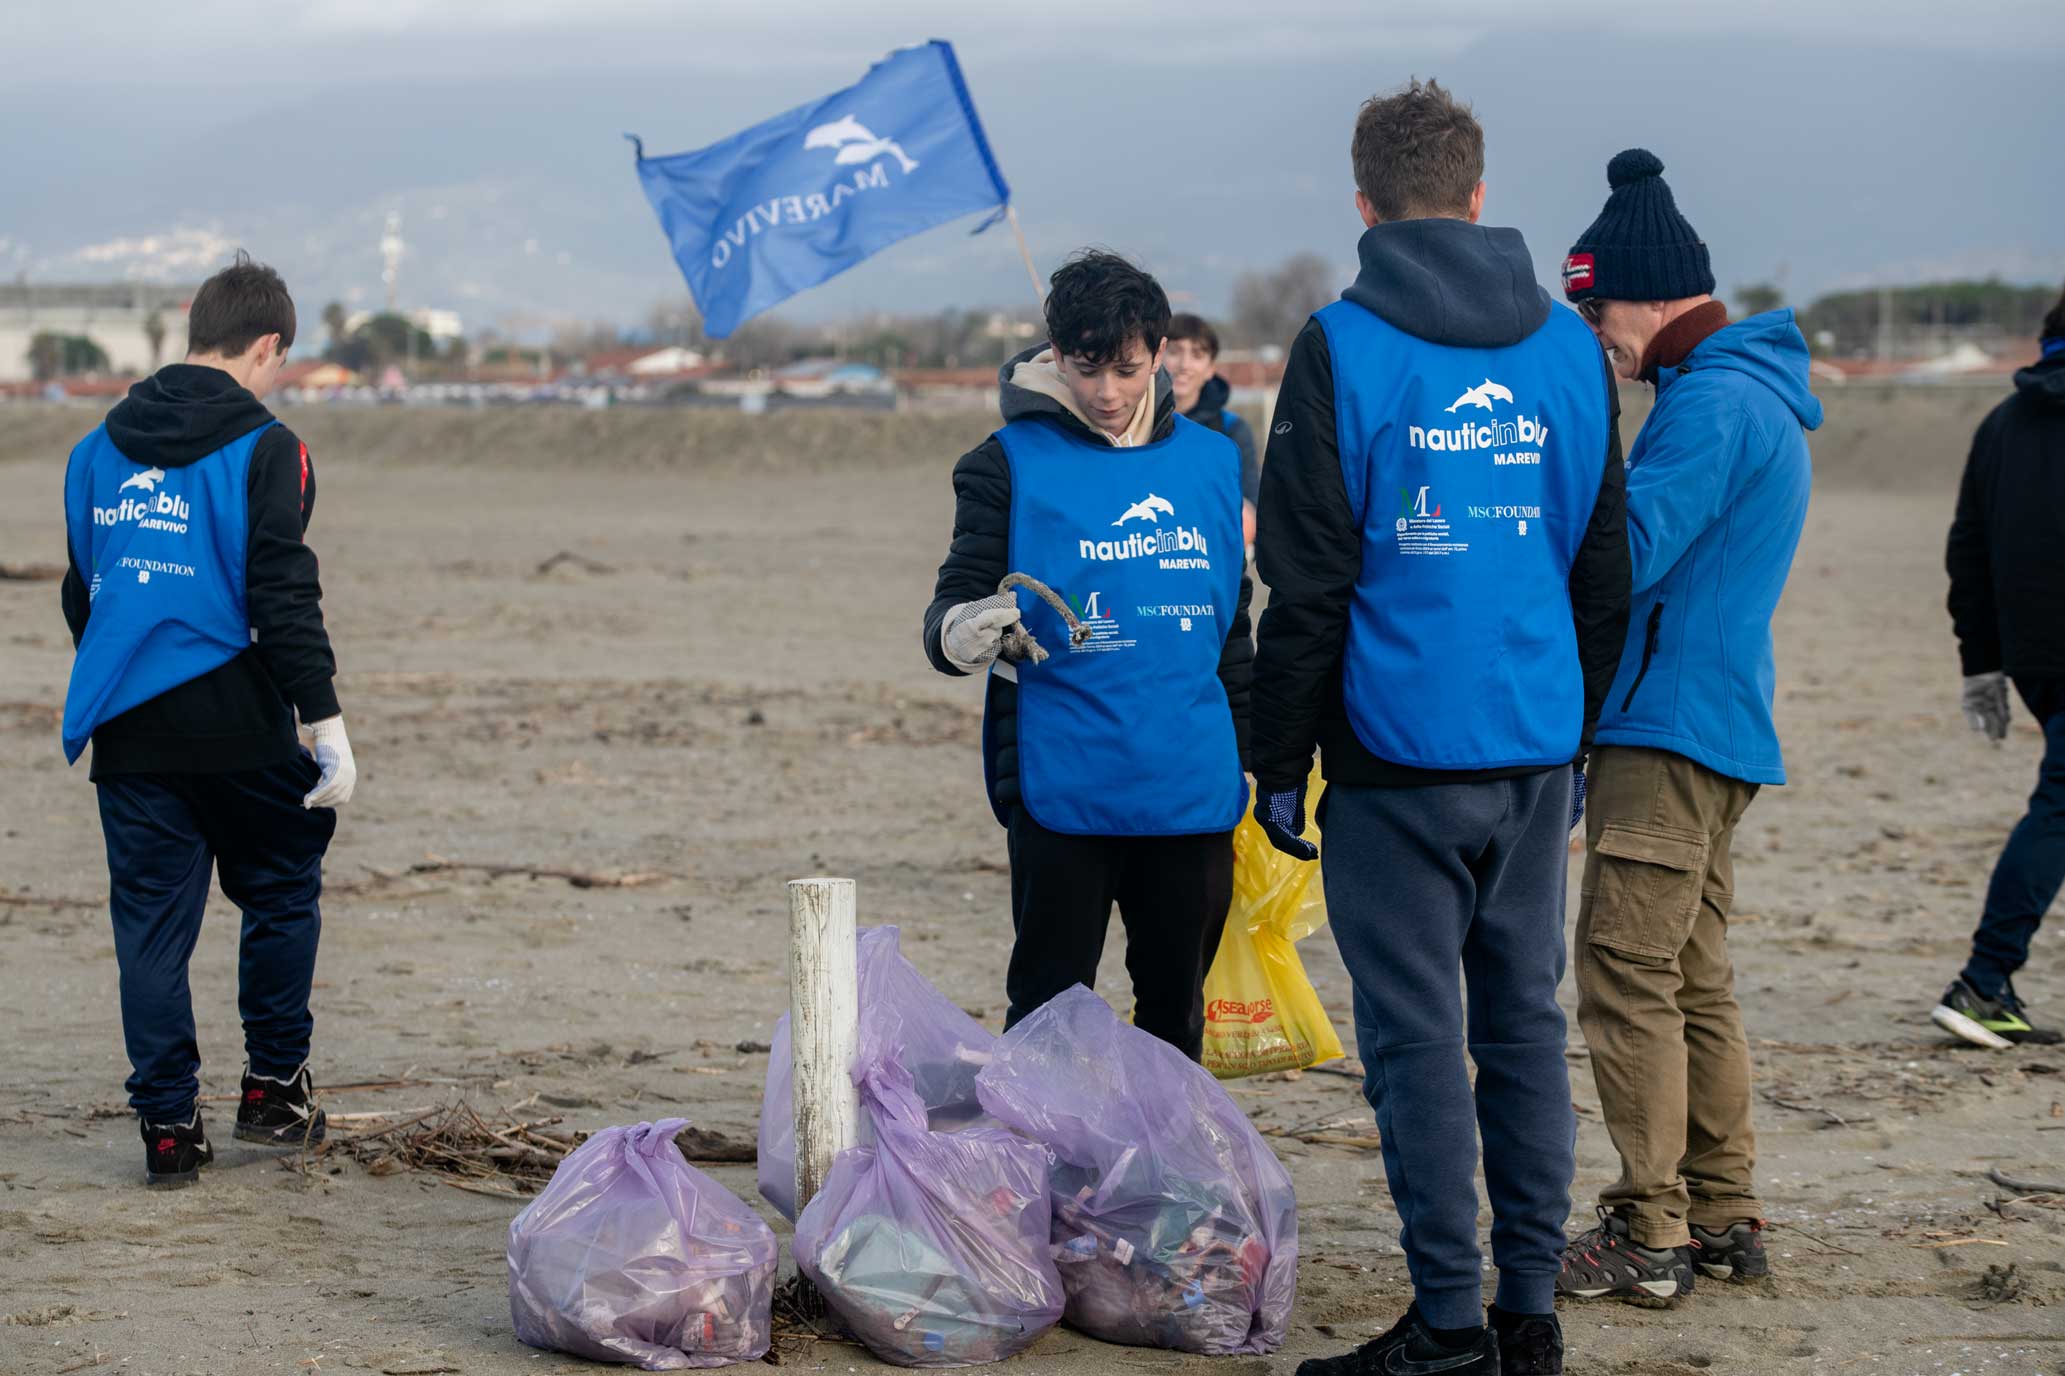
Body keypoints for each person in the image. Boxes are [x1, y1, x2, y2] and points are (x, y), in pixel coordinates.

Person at [1254, 80, 1630, 1376]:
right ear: (1479, 198)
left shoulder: (1341, 346)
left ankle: (1453, 1321)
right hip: (1530, 745)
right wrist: (1572, 738)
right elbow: (1601, 567)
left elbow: (1304, 586)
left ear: (1364, 207)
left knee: (1417, 1040)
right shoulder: (1571, 351)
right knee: (1523, 1020)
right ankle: (1528, 1312)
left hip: (1395, 752)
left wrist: (1279, 769)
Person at [1553, 149, 1821, 1301]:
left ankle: (1646, 1230)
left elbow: (1624, 554)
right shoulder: (1742, 388)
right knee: (1691, 979)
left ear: (1655, 297)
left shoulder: (1708, 402)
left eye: (1596, 306)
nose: (1593, 331)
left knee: (1624, 976)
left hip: (1664, 733)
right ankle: (1723, 1214)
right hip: (1715, 728)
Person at [60, 252, 357, 1188]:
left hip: (132, 730)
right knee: (279, 888)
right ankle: (274, 1090)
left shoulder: (93, 450)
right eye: (281, 360)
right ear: (265, 345)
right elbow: (283, 590)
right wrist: (326, 719)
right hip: (241, 724)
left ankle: (166, 1128)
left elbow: (85, 592)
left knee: (150, 928)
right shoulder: (271, 447)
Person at [920, 250, 1253, 1061]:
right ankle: (1037, 1164)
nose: (1107, 392)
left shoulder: (1212, 462)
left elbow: (1232, 624)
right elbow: (952, 601)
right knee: (1046, 1004)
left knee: (1176, 1008)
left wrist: (1255, 755)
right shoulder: (1003, 464)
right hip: (1060, 781)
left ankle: (1162, 1173)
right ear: (1054, 353)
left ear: (1161, 353)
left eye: (1127, 369)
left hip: (1189, 782)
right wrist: (958, 631)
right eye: (1085, 367)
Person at [1934, 281, 2065, 1049]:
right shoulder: (2002, 425)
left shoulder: (2002, 424)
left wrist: (1981, 665)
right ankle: (1982, 979)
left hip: (2030, 658)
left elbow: (1966, 553)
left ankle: (1986, 979)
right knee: (2057, 806)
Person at [1163, 313, 1260, 547]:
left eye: (1197, 355)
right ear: (1156, 357)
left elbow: (1249, 508)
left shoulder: (1231, 431)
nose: (1184, 365)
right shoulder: (1132, 425)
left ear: (1210, 369)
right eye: (1175, 351)